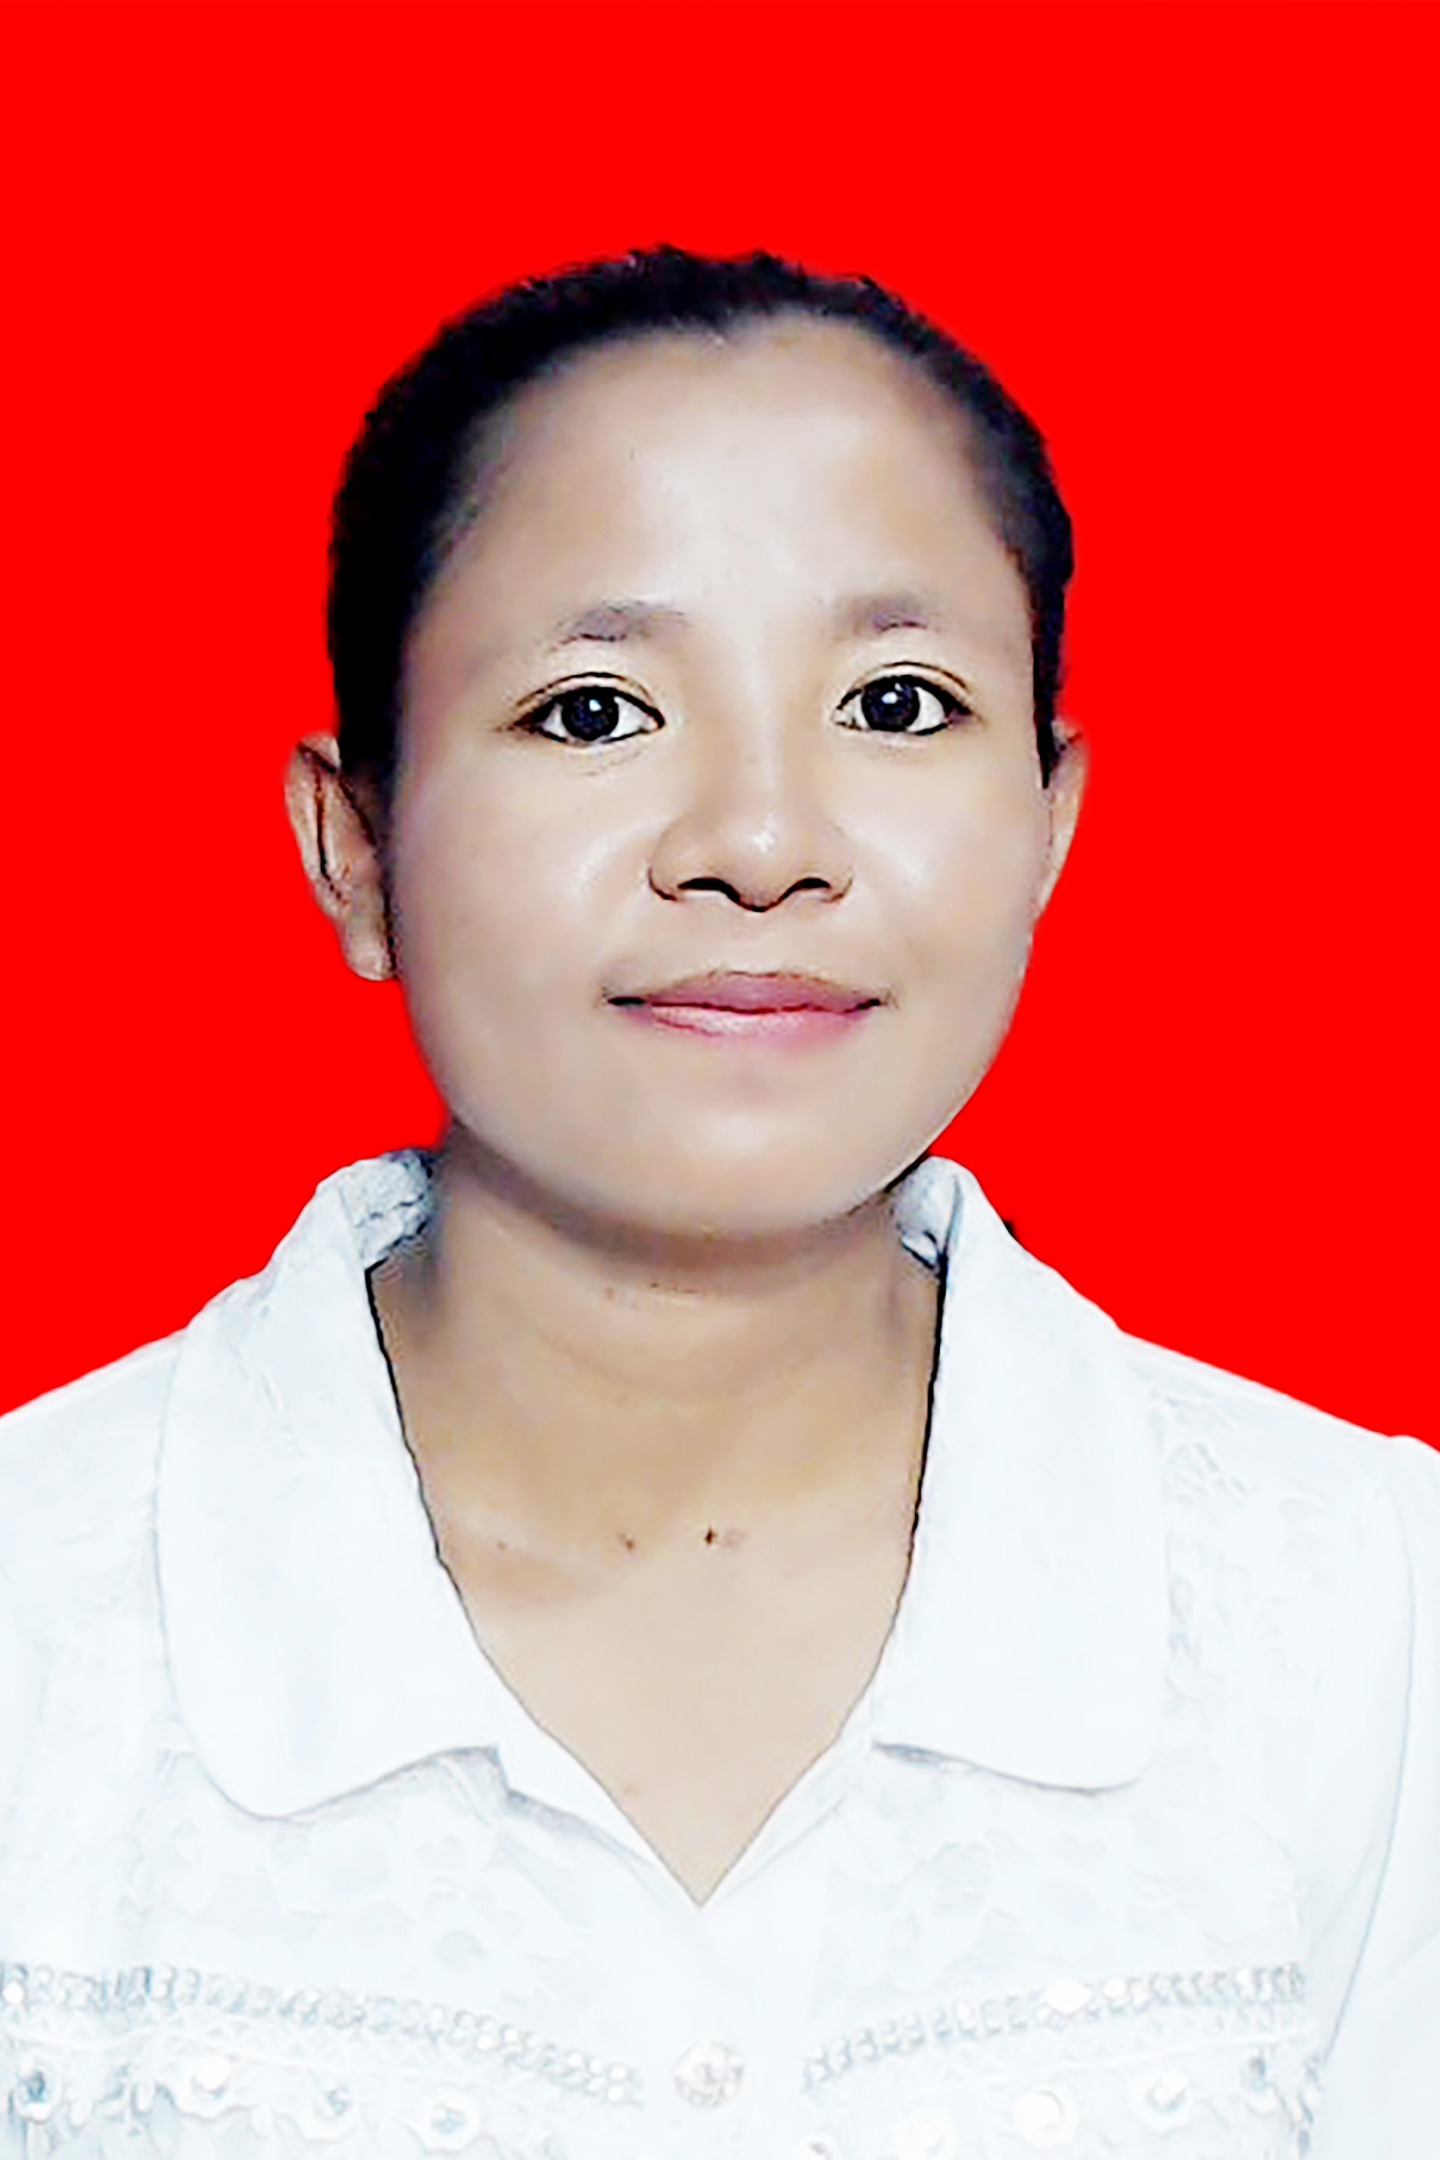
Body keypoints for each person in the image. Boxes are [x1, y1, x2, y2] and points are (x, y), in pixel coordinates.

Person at [0, 246, 1434, 2160]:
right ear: (355, 847)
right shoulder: (38, 1625)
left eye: (898, 703)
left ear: (1050, 824)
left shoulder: (1368, 1621)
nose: (761, 843)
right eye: (596, 712)